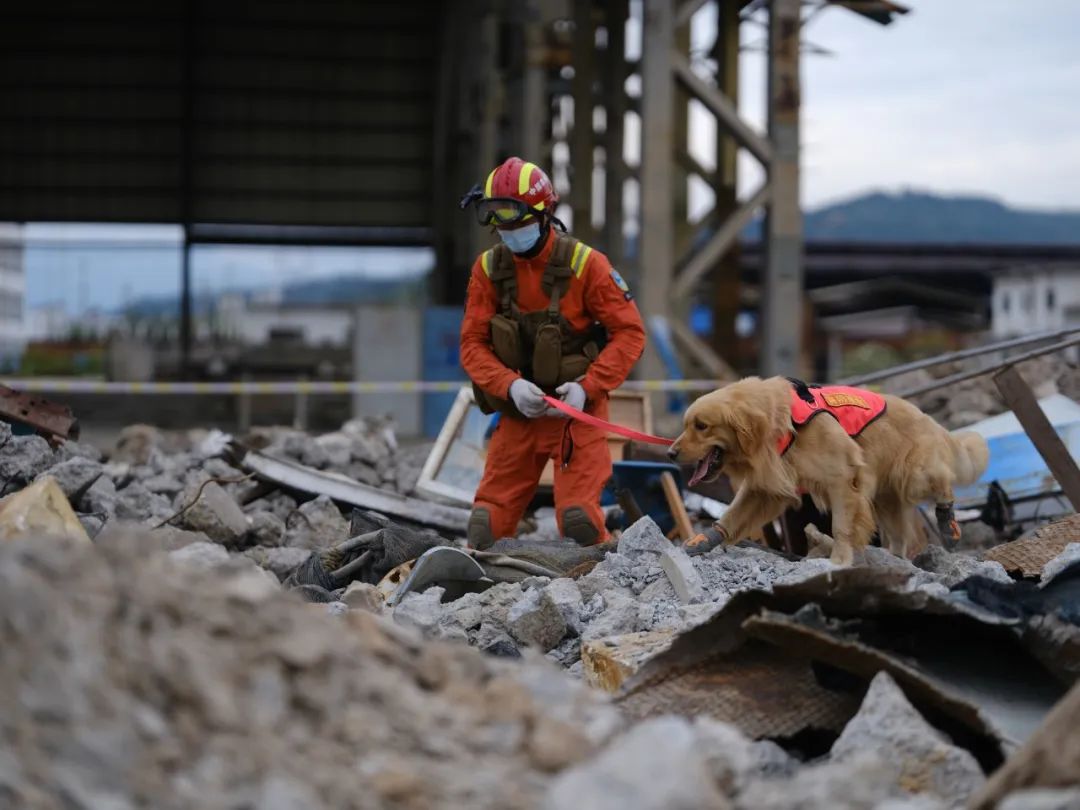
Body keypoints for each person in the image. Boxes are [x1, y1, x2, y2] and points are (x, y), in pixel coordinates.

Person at [458, 157, 646, 548]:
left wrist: (588, 388)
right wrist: (509, 386)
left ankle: (609, 572)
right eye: (496, 219)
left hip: (575, 416)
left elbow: (629, 333)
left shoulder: (587, 265)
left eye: (514, 219)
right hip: (518, 414)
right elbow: (472, 344)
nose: (506, 230)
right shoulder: (489, 269)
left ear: (544, 214)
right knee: (484, 528)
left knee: (579, 523)